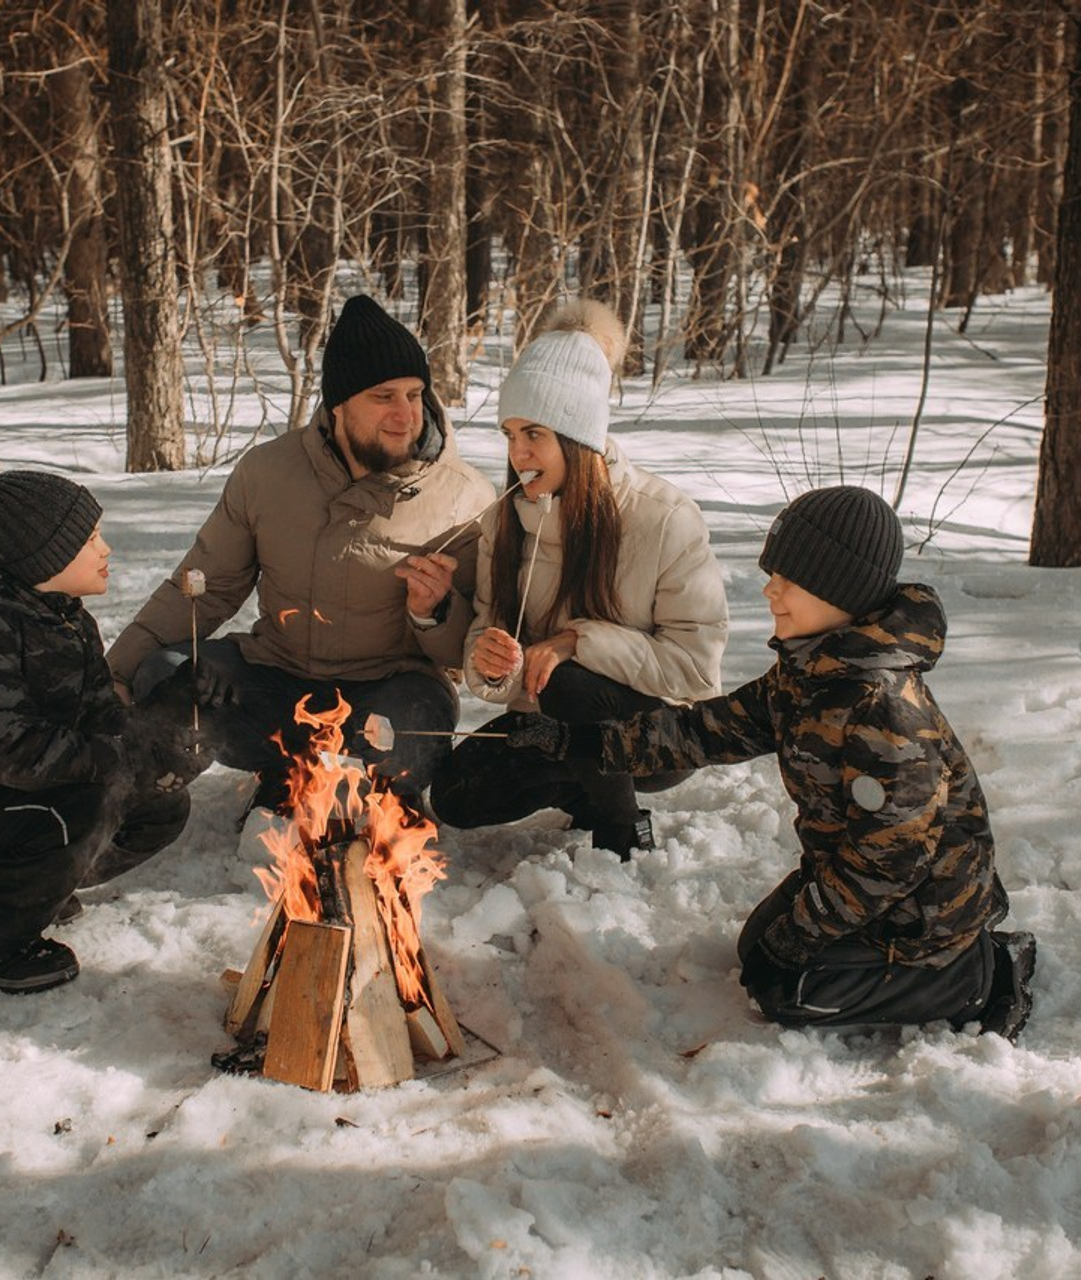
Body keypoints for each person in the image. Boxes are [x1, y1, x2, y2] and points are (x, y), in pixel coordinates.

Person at [505, 485, 1037, 1040]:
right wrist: (582, 744)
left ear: (841, 592)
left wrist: (804, 932)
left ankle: (980, 974)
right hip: (856, 879)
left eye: (790, 580)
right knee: (756, 951)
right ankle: (864, 953)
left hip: (923, 914)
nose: (770, 591)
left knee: (788, 990)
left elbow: (893, 864)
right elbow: (704, 731)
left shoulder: (883, 711)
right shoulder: (811, 672)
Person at [107, 294, 495, 816]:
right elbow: (206, 585)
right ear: (338, 404)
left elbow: (465, 653)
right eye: (383, 396)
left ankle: (363, 802)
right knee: (164, 675)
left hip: (390, 690)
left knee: (405, 741)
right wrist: (115, 673)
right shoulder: (267, 472)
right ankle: (294, 773)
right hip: (278, 677)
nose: (406, 415)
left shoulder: (464, 496)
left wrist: (434, 613)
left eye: (415, 393)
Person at [0, 450, 208, 994]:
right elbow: (13, 752)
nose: (107, 550)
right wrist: (124, 762)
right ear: (42, 555)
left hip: (6, 793)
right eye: (91, 539)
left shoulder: (66, 618)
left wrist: (163, 734)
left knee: (160, 804)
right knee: (89, 801)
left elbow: (100, 720)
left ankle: (33, 888)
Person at [428, 300, 729, 857]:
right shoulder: (504, 520)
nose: (518, 453)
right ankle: (583, 773)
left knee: (570, 680)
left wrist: (576, 644)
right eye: (509, 434)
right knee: (455, 795)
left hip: (658, 733)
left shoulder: (664, 517)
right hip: (550, 722)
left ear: (578, 436)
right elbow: (486, 642)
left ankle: (621, 830)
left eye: (534, 434)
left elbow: (695, 671)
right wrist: (492, 662)